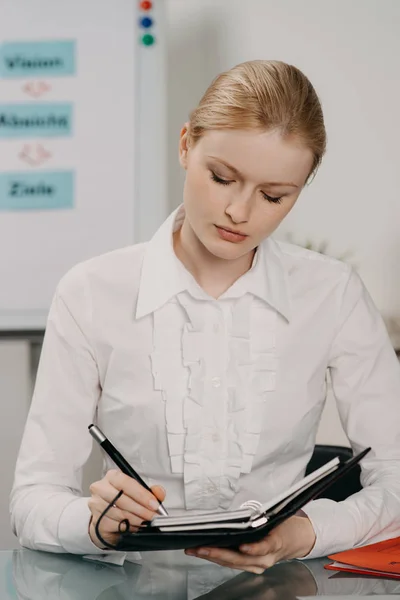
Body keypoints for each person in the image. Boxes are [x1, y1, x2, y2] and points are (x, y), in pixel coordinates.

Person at [10, 60, 400, 575]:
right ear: (185, 145)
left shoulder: (332, 293)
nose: (240, 211)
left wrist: (300, 534)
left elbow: (396, 480)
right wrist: (93, 522)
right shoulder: (91, 292)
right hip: (128, 586)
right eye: (221, 177)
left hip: (279, 586)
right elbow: (31, 500)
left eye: (274, 195)